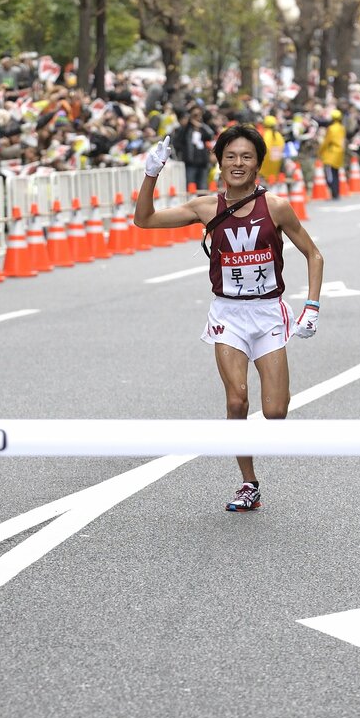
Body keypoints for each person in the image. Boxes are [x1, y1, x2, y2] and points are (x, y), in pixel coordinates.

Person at [135, 124, 324, 512]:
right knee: (237, 401)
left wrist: (313, 307)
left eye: (247, 157)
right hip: (228, 314)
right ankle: (248, 482)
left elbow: (314, 255)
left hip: (268, 312)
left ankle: (255, 458)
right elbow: (145, 221)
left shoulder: (277, 208)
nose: (238, 163)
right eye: (231, 156)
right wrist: (151, 173)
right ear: (219, 162)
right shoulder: (205, 207)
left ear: (258, 163)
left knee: (275, 412)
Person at [318, 109, 345, 199]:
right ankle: (337, 193)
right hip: (340, 153)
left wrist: (320, 151)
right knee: (336, 174)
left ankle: (334, 192)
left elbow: (326, 141)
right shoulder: (342, 128)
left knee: (330, 175)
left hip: (331, 153)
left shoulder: (331, 128)